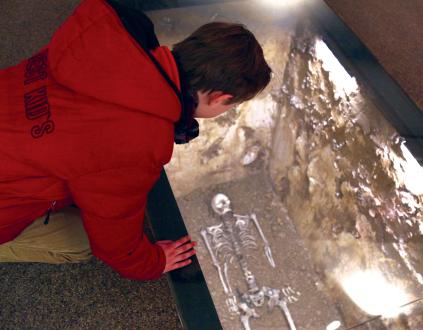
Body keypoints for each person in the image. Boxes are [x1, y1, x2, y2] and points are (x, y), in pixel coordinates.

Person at [0, 0, 272, 281]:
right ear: (220, 99)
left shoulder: (100, 47)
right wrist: (151, 262)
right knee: (80, 241)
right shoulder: (138, 139)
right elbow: (114, 241)